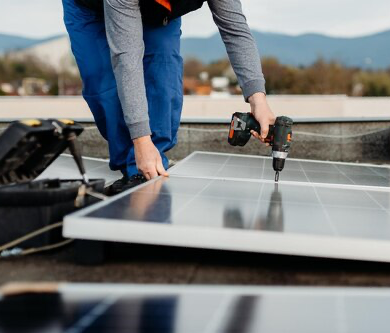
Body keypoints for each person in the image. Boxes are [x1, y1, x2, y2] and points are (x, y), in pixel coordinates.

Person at [63, 0, 275, 193]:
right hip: (89, 7)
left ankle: (145, 168)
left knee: (163, 76)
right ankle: (138, 158)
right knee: (103, 83)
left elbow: (235, 30)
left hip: (158, 11)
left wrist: (258, 99)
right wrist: (141, 139)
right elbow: (126, 58)